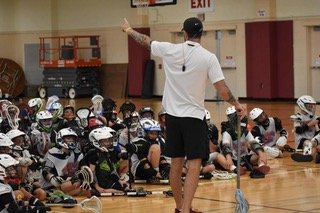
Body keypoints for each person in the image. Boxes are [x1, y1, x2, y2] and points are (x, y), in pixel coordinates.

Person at [121, 17, 246, 213]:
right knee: (194, 164)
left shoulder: (170, 49)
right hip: (194, 118)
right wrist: (236, 104)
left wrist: (128, 30)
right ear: (201, 34)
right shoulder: (208, 57)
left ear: (184, 33)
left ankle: (180, 208)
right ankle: (186, 209)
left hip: (172, 117)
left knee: (176, 164)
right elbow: (222, 89)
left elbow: (145, 40)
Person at [290, 95, 320, 163]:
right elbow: (298, 130)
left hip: (313, 140)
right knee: (309, 143)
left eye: (311, 105)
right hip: (302, 141)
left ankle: (315, 157)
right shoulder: (297, 117)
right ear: (302, 105)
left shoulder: (314, 116)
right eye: (308, 105)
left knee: (317, 147)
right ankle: (308, 156)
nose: (311, 107)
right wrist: (310, 124)